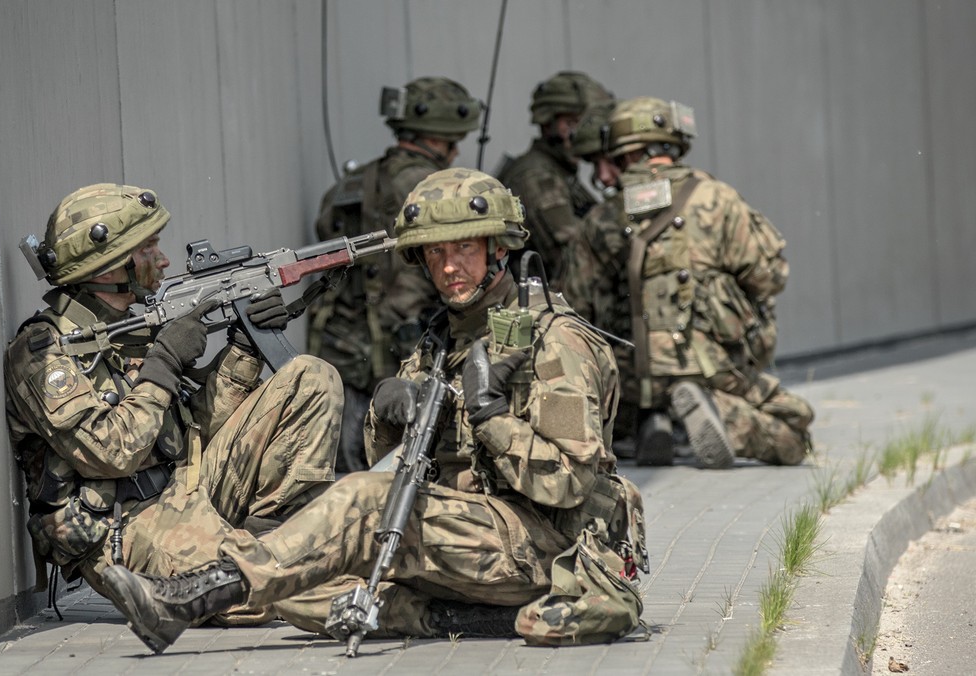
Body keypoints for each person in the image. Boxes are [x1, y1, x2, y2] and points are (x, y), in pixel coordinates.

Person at [98, 168, 648, 654]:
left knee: (359, 505)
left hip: (547, 547)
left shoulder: (554, 341)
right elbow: (390, 464)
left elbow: (569, 485)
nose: (449, 267)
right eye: (435, 253)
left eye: (464, 249)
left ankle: (184, 600)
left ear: (499, 249)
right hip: (467, 537)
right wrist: (388, 415)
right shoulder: (443, 340)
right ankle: (486, 620)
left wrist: (491, 416)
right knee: (303, 596)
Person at [4, 183, 342, 622]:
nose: (163, 260)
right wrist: (163, 362)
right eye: (149, 248)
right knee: (272, 591)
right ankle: (281, 568)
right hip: (129, 526)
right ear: (110, 264)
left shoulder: (132, 328)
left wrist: (245, 347)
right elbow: (111, 452)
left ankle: (270, 545)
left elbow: (190, 428)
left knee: (310, 378)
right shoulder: (42, 351)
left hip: (190, 483)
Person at [579, 97, 814, 468]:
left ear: (622, 151)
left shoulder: (602, 217)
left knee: (642, 387)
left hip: (628, 379)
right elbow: (770, 277)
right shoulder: (716, 198)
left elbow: (577, 306)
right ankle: (721, 413)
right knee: (796, 432)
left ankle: (651, 420)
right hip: (706, 364)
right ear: (672, 142)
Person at [309, 76, 482, 472]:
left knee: (347, 468)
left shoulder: (348, 185)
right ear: (445, 135)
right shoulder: (438, 189)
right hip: (411, 349)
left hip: (343, 347)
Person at [498, 71, 613, 316]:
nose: (581, 129)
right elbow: (571, 253)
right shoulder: (537, 176)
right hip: (548, 314)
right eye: (572, 121)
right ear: (548, 123)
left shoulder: (562, 173)